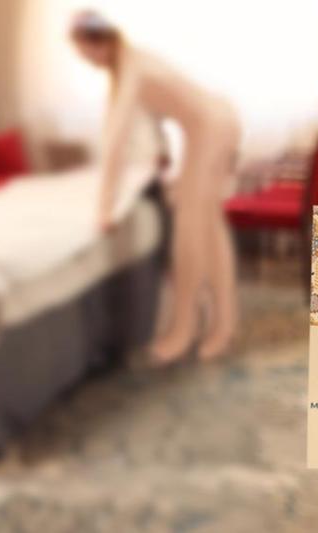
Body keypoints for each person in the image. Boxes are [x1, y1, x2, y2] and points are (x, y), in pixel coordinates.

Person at [70, 10, 240, 364]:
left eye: (84, 54)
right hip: (216, 120)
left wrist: (104, 209)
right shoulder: (132, 62)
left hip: (211, 125)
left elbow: (115, 139)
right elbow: (148, 122)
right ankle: (222, 326)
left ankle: (183, 329)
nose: (87, 62)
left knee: (189, 227)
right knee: (209, 226)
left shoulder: (131, 66)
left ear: (97, 43)